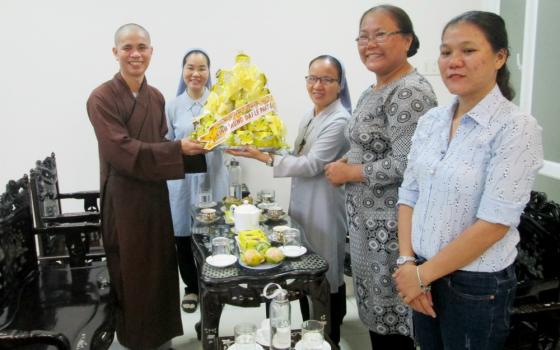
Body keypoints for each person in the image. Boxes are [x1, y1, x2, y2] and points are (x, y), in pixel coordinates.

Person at [393, 11, 544, 349]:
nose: (454, 62)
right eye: (446, 52)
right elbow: (409, 193)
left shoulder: (515, 127)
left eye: (469, 50)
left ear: (500, 57)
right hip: (420, 272)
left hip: (475, 287)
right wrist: (407, 262)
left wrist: (420, 275)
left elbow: (495, 222)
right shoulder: (432, 121)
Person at [86, 23, 208, 349]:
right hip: (125, 201)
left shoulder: (155, 97)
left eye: (142, 47)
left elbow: (164, 146)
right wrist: (178, 150)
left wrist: (198, 148)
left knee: (160, 271)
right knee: (133, 273)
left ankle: (162, 337)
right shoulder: (100, 98)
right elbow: (122, 151)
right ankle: (137, 340)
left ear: (151, 52)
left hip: (155, 196)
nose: (135, 54)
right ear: (116, 53)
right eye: (127, 48)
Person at [324, 5, 437, 349]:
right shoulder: (372, 89)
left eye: (380, 34)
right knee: (375, 317)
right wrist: (348, 159)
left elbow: (408, 164)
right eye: (363, 36)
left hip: (392, 232)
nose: (369, 43)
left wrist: (349, 172)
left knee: (396, 325)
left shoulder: (410, 92)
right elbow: (367, 144)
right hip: (365, 227)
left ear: (407, 40)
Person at [227, 55, 351, 347]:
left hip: (324, 204)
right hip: (303, 203)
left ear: (339, 84)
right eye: (312, 78)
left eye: (326, 79)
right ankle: (311, 331)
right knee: (309, 269)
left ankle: (329, 336)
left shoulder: (340, 120)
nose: (317, 85)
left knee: (326, 271)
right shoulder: (312, 115)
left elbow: (311, 165)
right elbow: (294, 154)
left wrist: (264, 157)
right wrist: (257, 143)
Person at [165, 49, 229, 313]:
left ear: (209, 72)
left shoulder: (220, 103)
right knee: (183, 235)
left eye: (202, 68)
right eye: (190, 67)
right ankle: (191, 288)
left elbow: (231, 138)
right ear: (183, 71)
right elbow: (166, 143)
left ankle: (215, 285)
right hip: (181, 180)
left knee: (213, 233)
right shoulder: (172, 105)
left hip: (212, 177)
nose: (196, 73)